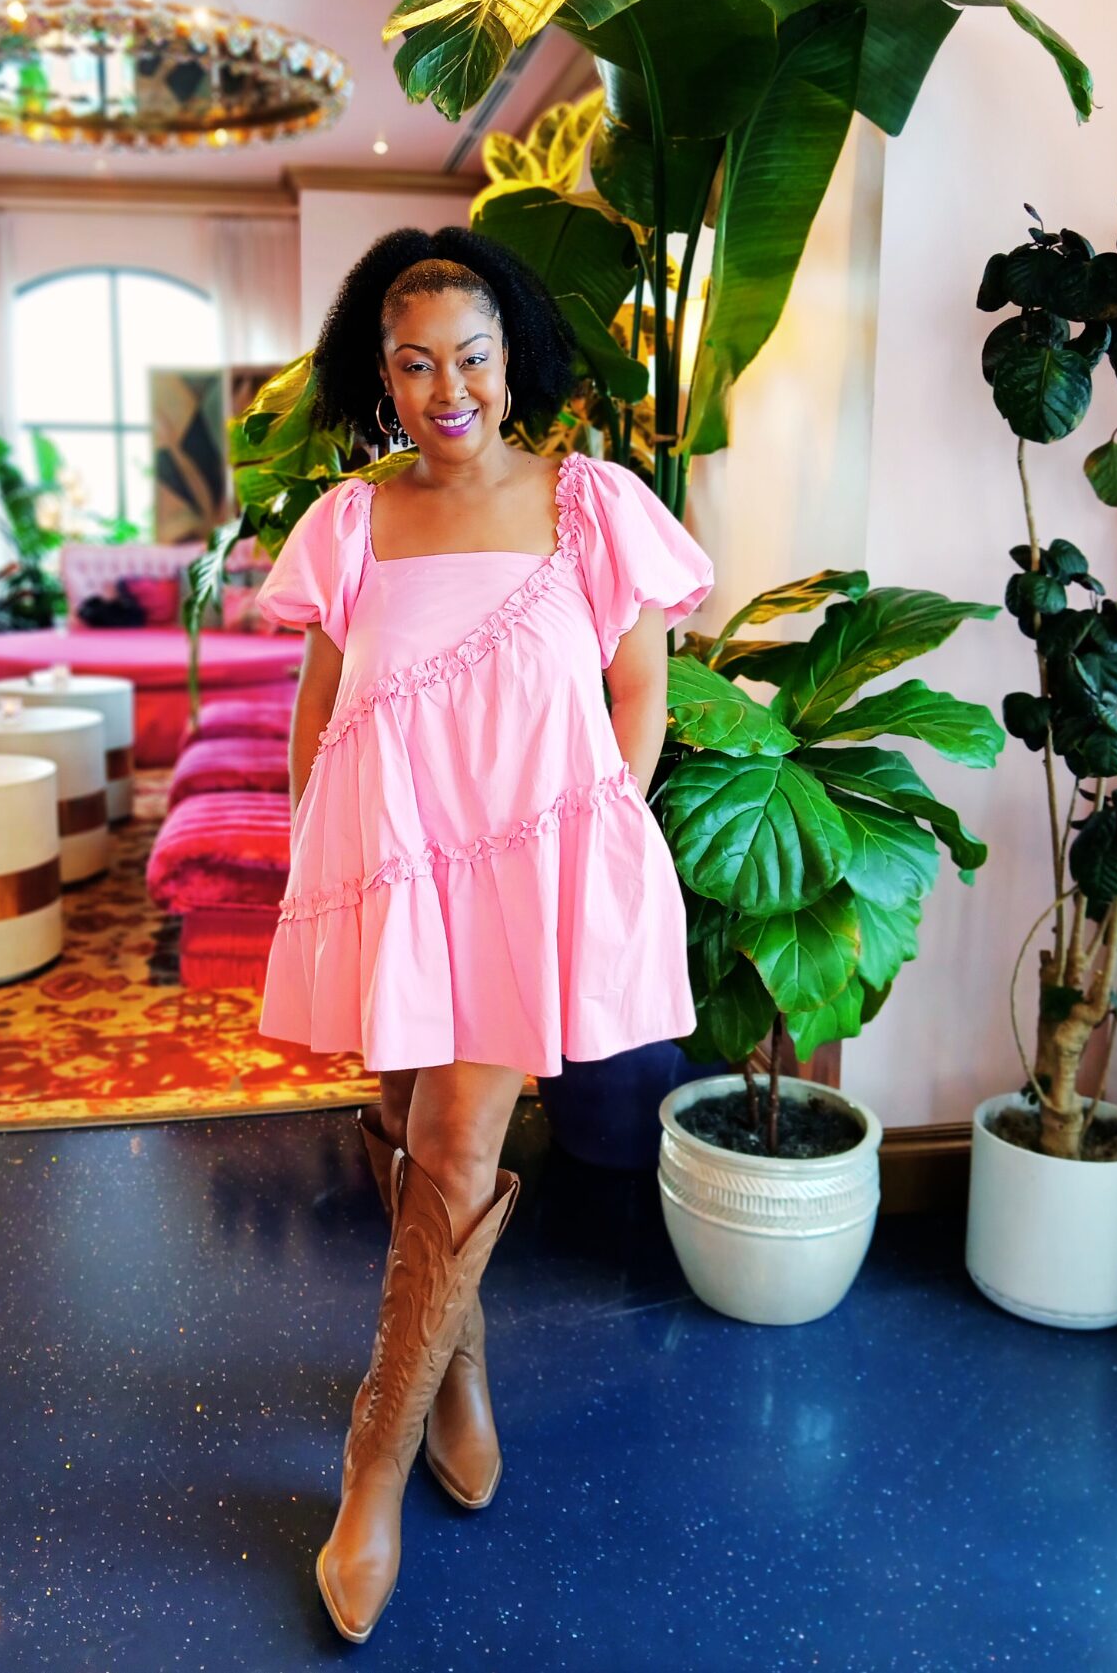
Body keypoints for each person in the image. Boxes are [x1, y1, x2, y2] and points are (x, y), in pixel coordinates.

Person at [254, 226, 715, 1643]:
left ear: (512, 359)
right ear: (377, 377)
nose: (444, 386)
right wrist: (326, 853)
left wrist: (581, 831)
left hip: (526, 879)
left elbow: (639, 691)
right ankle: (456, 1373)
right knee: (409, 1144)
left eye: (469, 355)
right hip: (392, 880)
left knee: (457, 1148)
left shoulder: (590, 504)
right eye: (412, 363)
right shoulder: (351, 522)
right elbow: (314, 721)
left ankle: (365, 1482)